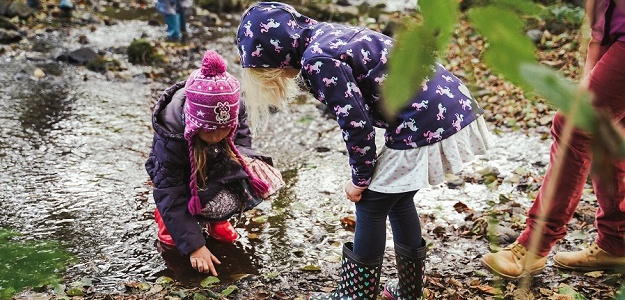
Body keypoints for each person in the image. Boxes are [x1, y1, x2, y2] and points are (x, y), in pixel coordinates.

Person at [236, 2, 492, 299]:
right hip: (449, 103)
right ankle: (410, 291)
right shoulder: (325, 34)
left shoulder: (317, 60)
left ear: (276, 56)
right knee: (398, 198)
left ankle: (356, 294)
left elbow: (357, 125)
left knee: (370, 203)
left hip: (425, 118)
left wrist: (360, 178)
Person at [481, 0, 625, 280]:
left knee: (574, 126)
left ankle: (535, 244)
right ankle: (617, 242)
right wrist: (595, 41)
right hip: (610, 28)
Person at [145, 49, 280, 275]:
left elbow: (243, 136)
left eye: (226, 129)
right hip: (180, 178)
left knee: (243, 180)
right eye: (211, 131)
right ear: (194, 125)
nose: (219, 136)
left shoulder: (235, 109)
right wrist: (196, 247)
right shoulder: (170, 141)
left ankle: (214, 218)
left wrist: (245, 158)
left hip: (214, 164)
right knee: (172, 241)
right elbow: (170, 191)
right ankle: (167, 218)